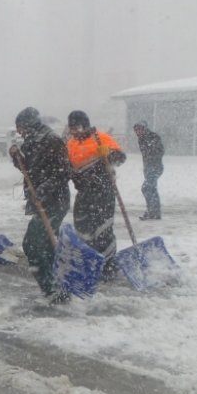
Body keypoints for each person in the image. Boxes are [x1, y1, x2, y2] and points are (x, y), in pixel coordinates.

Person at [9, 108, 71, 303]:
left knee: (32, 245)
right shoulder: (32, 141)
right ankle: (57, 288)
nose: (19, 132)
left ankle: (52, 290)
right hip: (41, 202)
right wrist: (16, 157)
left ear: (29, 124)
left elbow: (63, 172)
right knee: (45, 246)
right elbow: (28, 170)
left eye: (20, 127)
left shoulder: (51, 140)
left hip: (54, 202)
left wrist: (43, 191)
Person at [66, 110, 126, 280]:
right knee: (83, 226)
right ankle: (91, 258)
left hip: (103, 190)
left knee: (103, 228)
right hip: (84, 191)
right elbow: (69, 164)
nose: (74, 131)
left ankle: (108, 265)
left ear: (84, 125)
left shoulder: (101, 138)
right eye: (71, 128)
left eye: (76, 127)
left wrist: (110, 154)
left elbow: (121, 158)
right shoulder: (71, 144)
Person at [133, 121, 165, 220]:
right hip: (148, 168)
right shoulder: (141, 139)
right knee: (151, 189)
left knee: (146, 188)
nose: (138, 132)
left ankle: (153, 211)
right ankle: (154, 212)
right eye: (136, 130)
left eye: (140, 129)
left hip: (155, 167)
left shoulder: (153, 137)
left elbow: (161, 151)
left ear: (144, 128)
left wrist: (152, 154)